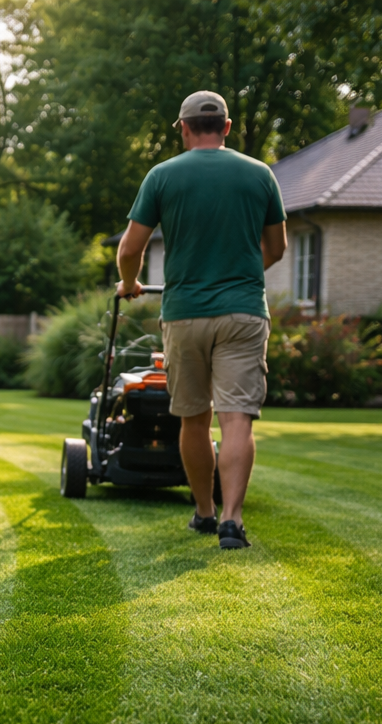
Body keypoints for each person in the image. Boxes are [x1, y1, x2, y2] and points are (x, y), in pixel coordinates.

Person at [115, 90, 286, 549]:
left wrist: (129, 283)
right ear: (227, 127)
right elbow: (277, 249)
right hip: (244, 312)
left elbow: (130, 249)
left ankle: (205, 513)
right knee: (237, 420)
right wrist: (241, 276)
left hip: (186, 313)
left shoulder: (163, 176)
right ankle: (232, 520)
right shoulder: (260, 174)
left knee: (194, 419)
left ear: (185, 128)